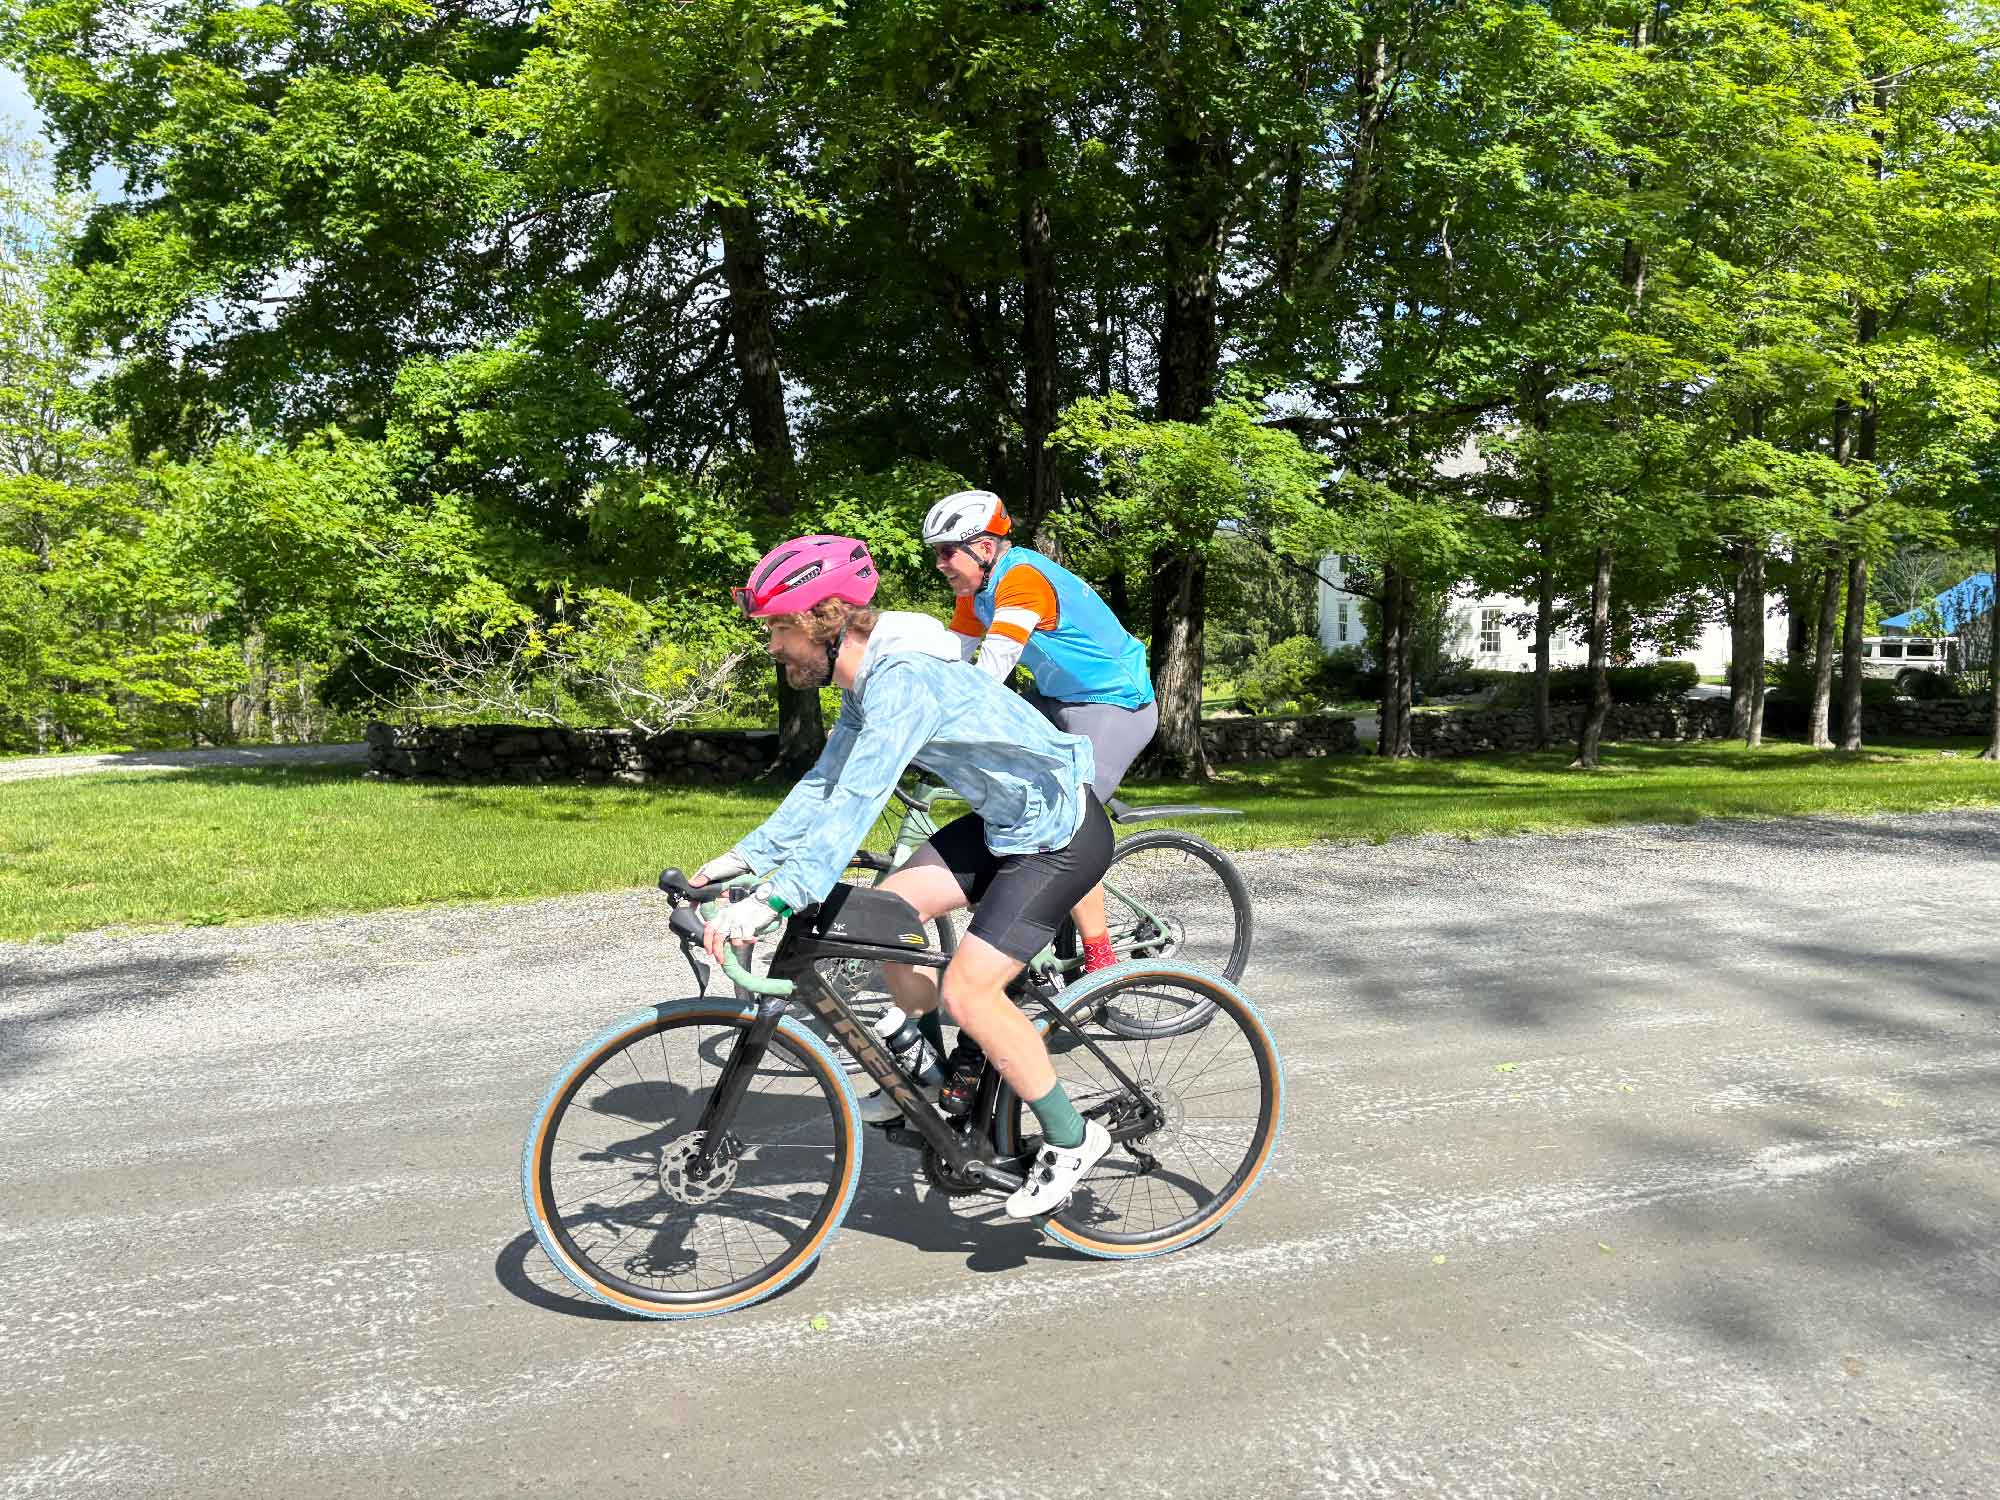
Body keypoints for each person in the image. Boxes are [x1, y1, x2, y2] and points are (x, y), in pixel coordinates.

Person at [689, 533, 1114, 1218]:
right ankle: (923, 1074)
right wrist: (745, 858)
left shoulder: (902, 681)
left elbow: (860, 797)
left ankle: (1072, 1138)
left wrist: (773, 901)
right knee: (884, 914)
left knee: (969, 994)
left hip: (1059, 836)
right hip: (1005, 824)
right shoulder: (869, 680)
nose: (772, 647)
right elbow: (826, 781)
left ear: (817, 621)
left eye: (777, 630)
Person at [921, 489, 1159, 1096]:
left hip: (1112, 702)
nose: (941, 563)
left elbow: (990, 670)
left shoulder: (1023, 580)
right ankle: (1034, 931)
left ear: (985, 546)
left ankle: (1101, 960)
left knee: (1067, 817)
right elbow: (956, 659)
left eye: (948, 551)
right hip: (1056, 699)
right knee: (1012, 802)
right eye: (937, 553)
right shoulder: (975, 590)